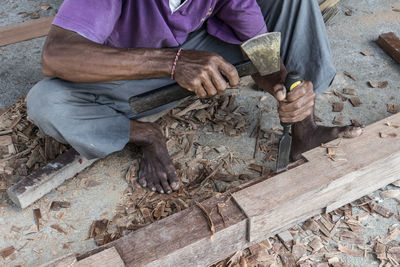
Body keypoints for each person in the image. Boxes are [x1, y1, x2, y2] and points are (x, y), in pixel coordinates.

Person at [27, 0, 362, 195]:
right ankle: (146, 134)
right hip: (124, 72)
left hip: (198, 53)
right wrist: (173, 63)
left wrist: (281, 85)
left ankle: (305, 128)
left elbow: (258, 44)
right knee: (46, 102)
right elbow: (55, 55)